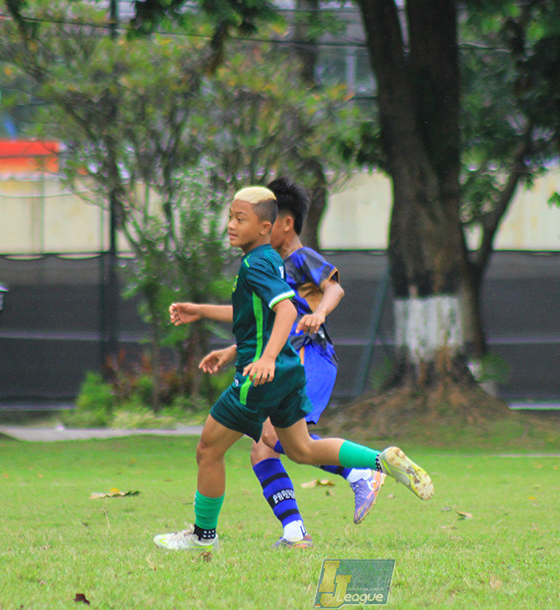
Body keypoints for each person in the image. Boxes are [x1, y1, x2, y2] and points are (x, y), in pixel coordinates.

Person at [153, 185, 433, 552]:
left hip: (265, 374)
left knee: (209, 449)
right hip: (287, 370)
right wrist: (207, 317)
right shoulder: (270, 260)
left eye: (240, 219)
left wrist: (265, 357)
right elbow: (261, 316)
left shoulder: (265, 263)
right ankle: (377, 463)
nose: (231, 225)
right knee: (298, 449)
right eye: (230, 217)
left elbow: (288, 309)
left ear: (267, 226)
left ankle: (204, 536)